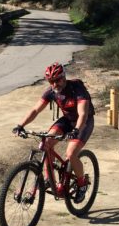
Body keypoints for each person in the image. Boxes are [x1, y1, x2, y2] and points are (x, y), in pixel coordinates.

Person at [13, 62, 95, 203]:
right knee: (46, 144)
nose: (54, 84)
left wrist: (76, 130)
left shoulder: (77, 88)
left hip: (84, 122)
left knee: (71, 153)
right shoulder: (51, 92)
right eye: (51, 81)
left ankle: (82, 184)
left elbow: (82, 114)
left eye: (57, 80)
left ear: (64, 77)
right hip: (67, 120)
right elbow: (35, 110)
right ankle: (49, 179)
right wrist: (20, 125)